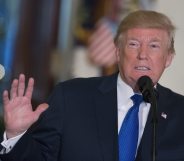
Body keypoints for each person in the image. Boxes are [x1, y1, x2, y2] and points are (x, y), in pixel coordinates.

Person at [1, 10, 184, 161]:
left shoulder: (180, 111)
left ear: (168, 58)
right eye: (133, 44)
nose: (142, 54)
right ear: (118, 52)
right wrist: (16, 135)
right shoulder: (70, 97)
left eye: (154, 46)